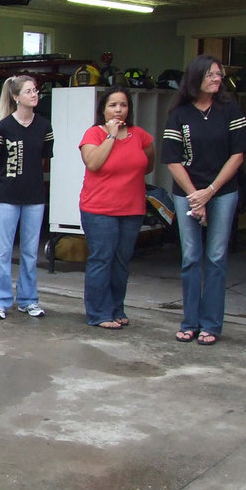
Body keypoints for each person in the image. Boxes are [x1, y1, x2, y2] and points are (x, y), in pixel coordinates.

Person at [161, 54, 246, 345]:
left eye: (218, 74)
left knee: (216, 257)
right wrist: (195, 196)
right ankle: (190, 321)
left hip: (222, 192)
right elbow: (172, 160)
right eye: (211, 74)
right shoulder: (179, 114)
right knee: (191, 257)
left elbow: (238, 155)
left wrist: (210, 191)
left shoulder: (230, 110)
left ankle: (211, 324)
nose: (217, 79)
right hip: (187, 193)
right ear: (196, 77)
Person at [78, 86, 155, 329]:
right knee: (102, 259)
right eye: (112, 105)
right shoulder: (94, 134)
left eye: (123, 105)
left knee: (122, 262)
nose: (118, 110)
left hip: (132, 209)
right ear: (103, 109)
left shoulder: (139, 135)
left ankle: (116, 308)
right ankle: (98, 313)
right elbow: (93, 163)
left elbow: (148, 164)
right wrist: (111, 136)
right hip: (99, 209)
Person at [0, 74, 53, 319]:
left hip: (34, 197)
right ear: (16, 97)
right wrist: (1, 189)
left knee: (30, 252)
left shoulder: (44, 126)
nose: (34, 94)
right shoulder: (2, 127)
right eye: (28, 91)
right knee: (3, 252)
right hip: (7, 197)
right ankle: (0, 300)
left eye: (35, 90)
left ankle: (28, 299)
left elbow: (43, 159)